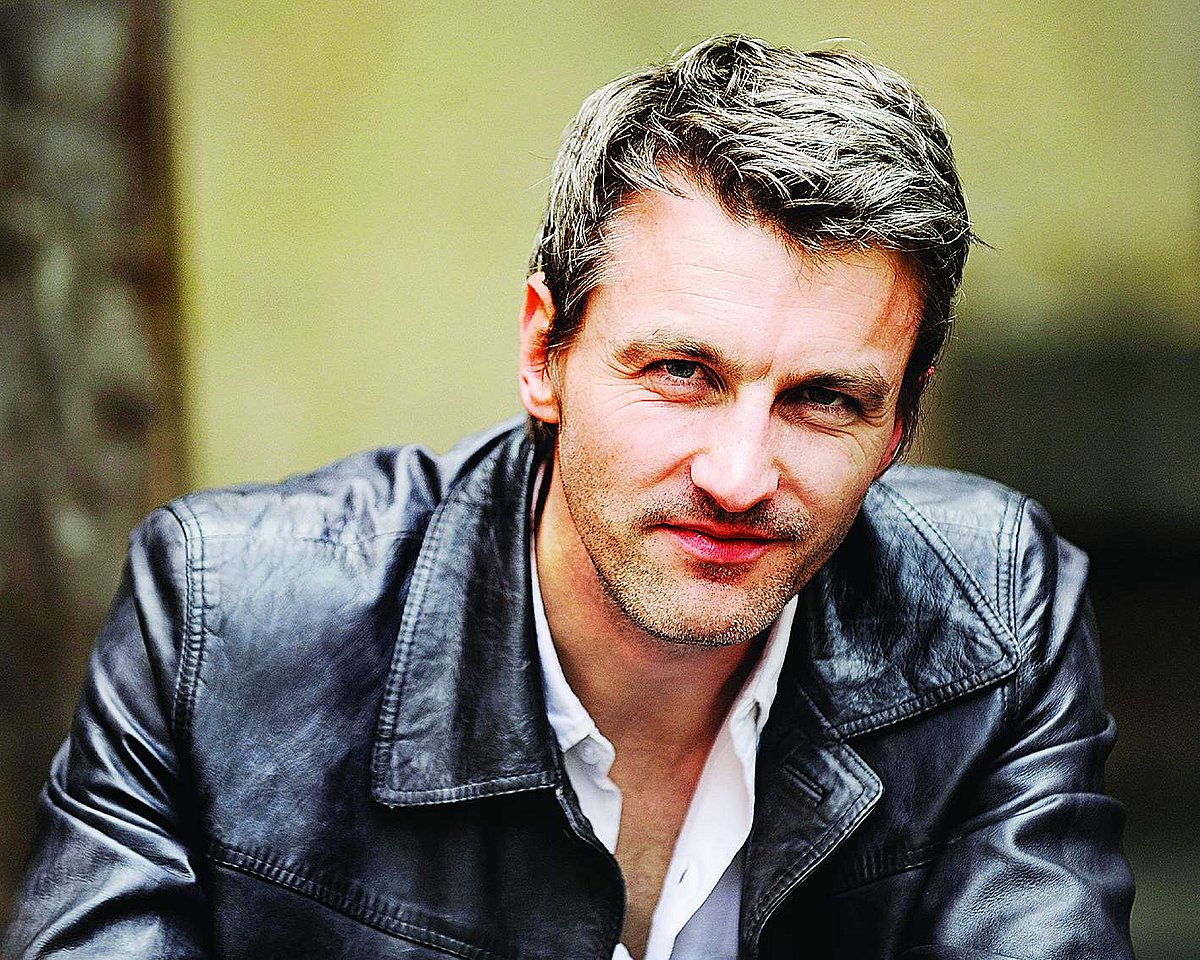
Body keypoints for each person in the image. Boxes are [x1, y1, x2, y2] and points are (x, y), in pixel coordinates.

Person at [4, 35, 1133, 960]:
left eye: (825, 399)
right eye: (681, 372)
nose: (739, 476)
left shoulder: (993, 619)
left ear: (901, 421)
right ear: (543, 352)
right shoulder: (226, 624)